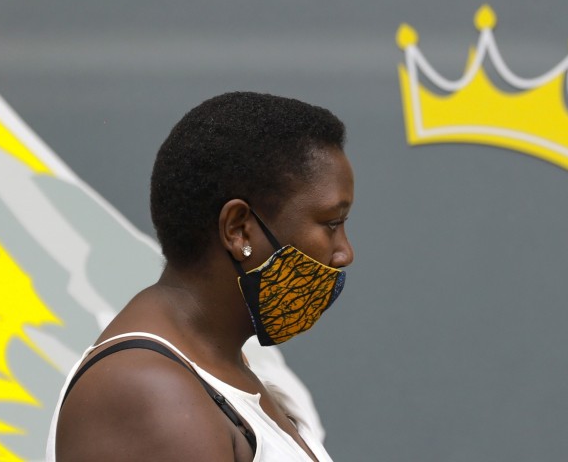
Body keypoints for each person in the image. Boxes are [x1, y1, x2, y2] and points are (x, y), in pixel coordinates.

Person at [48, 91, 355, 462]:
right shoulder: (149, 391)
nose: (344, 253)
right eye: (332, 223)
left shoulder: (220, 367)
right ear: (238, 229)